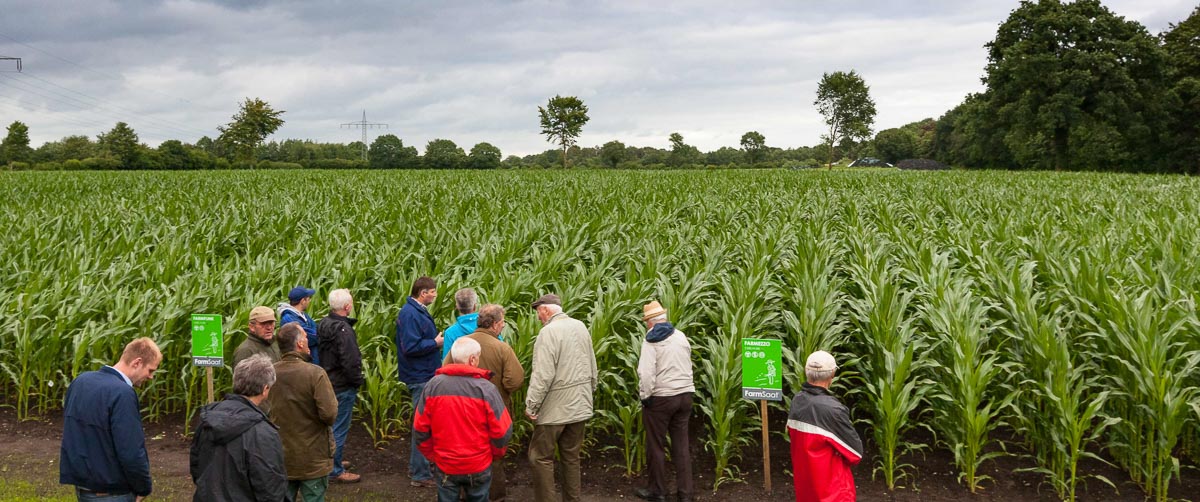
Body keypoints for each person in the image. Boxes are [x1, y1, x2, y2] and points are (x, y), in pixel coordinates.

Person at [60, 337, 161, 502]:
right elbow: (131, 451)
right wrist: (143, 487)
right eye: (150, 370)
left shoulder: (81, 381)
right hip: (113, 493)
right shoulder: (122, 393)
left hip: (83, 489)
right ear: (137, 362)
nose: (150, 377)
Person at [414, 337, 514, 502]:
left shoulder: (433, 386)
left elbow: (420, 428)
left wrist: (433, 455)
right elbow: (502, 430)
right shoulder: (486, 389)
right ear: (472, 359)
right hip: (478, 463)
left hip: (445, 463)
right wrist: (494, 454)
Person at [444, 303, 524, 501]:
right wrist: (500, 388)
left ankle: (464, 493)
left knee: (465, 449)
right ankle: (495, 496)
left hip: (462, 409)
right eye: (503, 322)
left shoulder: (462, 344)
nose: (503, 326)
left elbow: (445, 369)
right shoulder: (502, 348)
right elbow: (514, 381)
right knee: (494, 454)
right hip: (494, 410)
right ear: (495, 325)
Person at [525, 294, 597, 502]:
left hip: (555, 410)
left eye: (538, 312)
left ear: (546, 310)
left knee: (540, 457)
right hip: (581, 405)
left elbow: (543, 374)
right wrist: (588, 393)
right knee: (571, 457)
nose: (538, 317)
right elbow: (592, 364)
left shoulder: (548, 332)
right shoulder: (580, 326)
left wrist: (532, 406)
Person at [189, 354, 288, 502]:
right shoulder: (263, 432)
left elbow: (196, 465)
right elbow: (270, 486)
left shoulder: (208, 418)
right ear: (265, 389)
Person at [634, 301, 695, 502]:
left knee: (656, 445)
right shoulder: (680, 336)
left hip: (662, 398)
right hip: (685, 396)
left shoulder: (651, 340)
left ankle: (657, 491)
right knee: (681, 445)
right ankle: (685, 494)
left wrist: (646, 396)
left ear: (650, 322)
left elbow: (646, 373)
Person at [269, 322, 338, 501]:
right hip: (312, 458)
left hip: (282, 456)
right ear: (299, 344)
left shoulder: (270, 374)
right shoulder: (315, 374)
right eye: (306, 338)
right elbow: (329, 414)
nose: (308, 342)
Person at [787, 350, 863, 502]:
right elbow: (855, 454)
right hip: (833, 493)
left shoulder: (797, 401)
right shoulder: (833, 410)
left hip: (806, 490)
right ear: (832, 375)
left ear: (807, 372)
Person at [395, 276, 444, 488]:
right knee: (421, 425)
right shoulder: (410, 314)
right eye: (432, 291)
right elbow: (410, 347)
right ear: (423, 293)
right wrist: (435, 343)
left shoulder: (414, 311)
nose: (435, 294)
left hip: (423, 373)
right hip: (419, 375)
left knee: (425, 423)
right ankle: (419, 473)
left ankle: (421, 465)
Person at [317, 288, 364, 483]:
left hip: (329, 381)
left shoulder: (324, 324)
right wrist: (357, 381)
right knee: (339, 428)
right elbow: (350, 361)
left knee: (329, 426)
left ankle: (332, 462)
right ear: (347, 307)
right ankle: (335, 470)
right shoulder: (344, 330)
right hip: (343, 385)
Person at [278, 285, 320, 365]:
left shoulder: (303, 315)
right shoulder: (288, 318)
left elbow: (316, 330)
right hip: (300, 362)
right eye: (308, 298)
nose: (309, 300)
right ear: (302, 301)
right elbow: (312, 336)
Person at [441, 287, 479, 360]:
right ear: (475, 306)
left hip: (460, 371)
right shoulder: (488, 327)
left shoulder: (450, 333)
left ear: (457, 306)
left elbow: (447, 361)